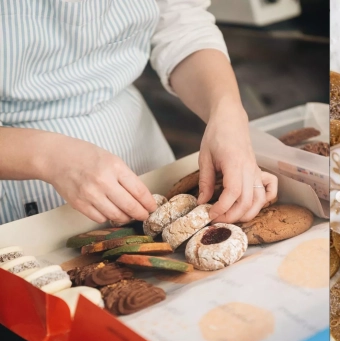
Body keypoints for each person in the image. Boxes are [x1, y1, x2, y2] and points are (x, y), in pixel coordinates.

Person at [0, 0, 278, 225]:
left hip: (137, 145)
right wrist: (48, 156)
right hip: (19, 170)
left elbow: (180, 23)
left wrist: (227, 112)